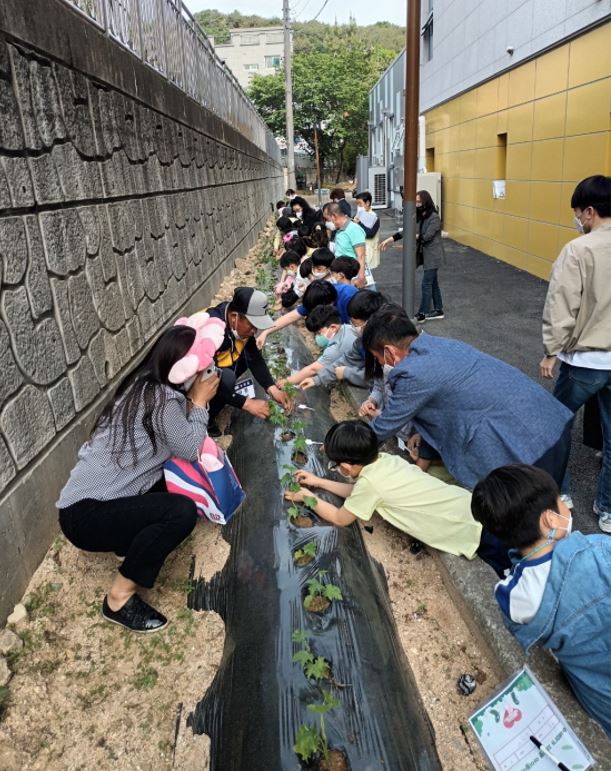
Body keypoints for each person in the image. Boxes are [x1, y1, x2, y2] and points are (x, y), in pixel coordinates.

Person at [56, 326, 220, 633]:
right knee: (180, 512)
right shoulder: (163, 400)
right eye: (202, 368)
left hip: (86, 506)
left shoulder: (144, 384)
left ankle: (128, 540)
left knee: (165, 482)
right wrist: (198, 404)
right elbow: (188, 448)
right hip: (85, 516)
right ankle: (118, 599)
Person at [471, 464, 611, 737]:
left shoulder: (513, 597)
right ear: (549, 519)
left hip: (600, 700)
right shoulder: (601, 550)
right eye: (560, 501)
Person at [363, 309, 573, 490]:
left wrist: (344, 450)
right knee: (547, 503)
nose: (380, 363)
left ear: (389, 352)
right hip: (550, 422)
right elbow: (436, 416)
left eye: (377, 357)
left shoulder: (412, 374)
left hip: (526, 447)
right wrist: (422, 465)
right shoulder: (438, 345)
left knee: (515, 517)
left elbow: (383, 428)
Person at [285, 420, 510, 573]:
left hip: (471, 531)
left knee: (515, 566)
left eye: (335, 466)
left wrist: (307, 497)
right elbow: (357, 494)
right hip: (469, 504)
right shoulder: (384, 460)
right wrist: (319, 482)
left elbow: (341, 518)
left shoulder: (370, 484)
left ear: (345, 466)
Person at [539, 175, 611, 532]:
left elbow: (562, 305)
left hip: (584, 360)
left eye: (578, 213)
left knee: (555, 425)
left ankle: (560, 494)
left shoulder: (578, 250)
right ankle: (608, 509)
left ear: (590, 211)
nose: (577, 220)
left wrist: (551, 350)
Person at [206, 287, 292, 434]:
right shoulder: (212, 333)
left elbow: (253, 356)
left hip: (215, 370)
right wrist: (247, 403)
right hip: (189, 385)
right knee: (226, 377)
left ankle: (218, 402)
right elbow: (206, 378)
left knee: (245, 360)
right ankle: (205, 417)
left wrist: (271, 388)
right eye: (252, 326)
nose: (255, 332)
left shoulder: (236, 323)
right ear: (234, 317)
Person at [301, 289, 386, 391]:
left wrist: (346, 373)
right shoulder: (360, 343)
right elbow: (344, 361)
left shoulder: (389, 346)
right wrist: (316, 379)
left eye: (356, 325)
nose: (354, 328)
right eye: (352, 323)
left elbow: (382, 379)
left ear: (372, 321)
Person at [380, 190, 444, 322]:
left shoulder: (434, 217)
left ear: (426, 201)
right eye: (417, 202)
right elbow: (406, 230)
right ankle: (438, 310)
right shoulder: (419, 215)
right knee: (433, 283)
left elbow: (427, 236)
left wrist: (411, 237)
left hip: (433, 255)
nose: (418, 204)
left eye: (420, 202)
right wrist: (389, 240)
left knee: (426, 283)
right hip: (423, 253)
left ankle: (422, 313)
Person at [256, 279, 358, 348]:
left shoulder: (349, 298)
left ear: (327, 305)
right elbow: (290, 317)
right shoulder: (315, 298)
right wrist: (265, 332)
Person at [282, 305, 357, 386]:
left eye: (319, 332)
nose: (318, 336)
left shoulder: (337, 348)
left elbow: (313, 369)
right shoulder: (348, 328)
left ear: (333, 327)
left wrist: (288, 381)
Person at [329, 202, 366, 288]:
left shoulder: (353, 229)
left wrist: (360, 277)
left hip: (353, 274)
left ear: (333, 216)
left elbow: (361, 255)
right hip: (343, 275)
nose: (329, 223)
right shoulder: (340, 230)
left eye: (328, 219)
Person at [354, 191, 381, 273]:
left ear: (367, 203)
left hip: (369, 249)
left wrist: (359, 223)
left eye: (360, 204)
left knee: (367, 276)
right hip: (358, 249)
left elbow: (370, 234)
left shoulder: (374, 217)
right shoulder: (357, 215)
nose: (358, 206)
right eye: (357, 204)